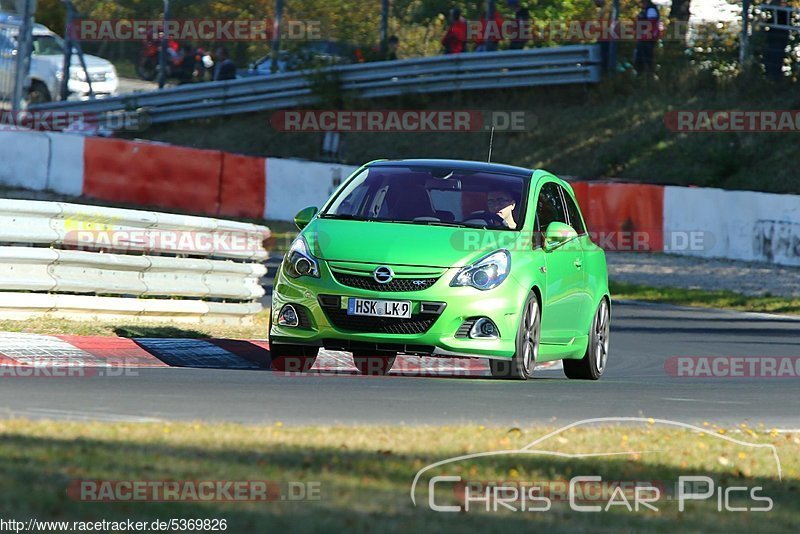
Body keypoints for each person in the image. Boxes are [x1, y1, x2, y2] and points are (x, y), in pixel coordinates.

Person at [763, 0, 790, 80]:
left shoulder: (784, 10)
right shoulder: (777, 9)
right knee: (773, 57)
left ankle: (774, 76)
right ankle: (772, 76)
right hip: (776, 37)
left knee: (776, 57)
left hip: (778, 37)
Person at [633, 0, 660, 73]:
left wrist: (643, 34)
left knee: (646, 60)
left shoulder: (651, 10)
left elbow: (651, 25)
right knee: (639, 60)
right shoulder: (645, 10)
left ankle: (647, 76)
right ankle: (641, 75)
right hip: (643, 39)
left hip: (647, 40)